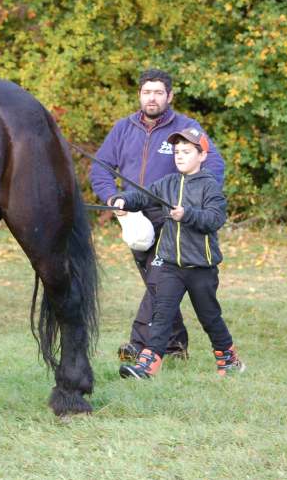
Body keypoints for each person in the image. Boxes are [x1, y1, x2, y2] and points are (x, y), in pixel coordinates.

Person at [91, 68, 225, 361]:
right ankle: (175, 346)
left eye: (158, 92)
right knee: (160, 283)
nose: (152, 98)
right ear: (139, 94)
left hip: (172, 217)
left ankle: (140, 345)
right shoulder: (123, 128)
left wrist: (193, 200)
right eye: (147, 92)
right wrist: (114, 199)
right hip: (134, 215)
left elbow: (213, 164)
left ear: (170, 96)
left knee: (158, 278)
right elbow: (100, 167)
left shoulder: (186, 128)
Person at [110, 128, 244, 379]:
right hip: (170, 265)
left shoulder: (209, 186)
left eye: (186, 151)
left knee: (210, 317)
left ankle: (229, 360)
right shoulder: (168, 183)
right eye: (176, 152)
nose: (179, 156)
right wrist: (122, 200)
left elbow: (215, 219)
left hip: (200, 268)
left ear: (202, 155)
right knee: (161, 315)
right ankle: (147, 367)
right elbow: (141, 196)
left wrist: (187, 215)